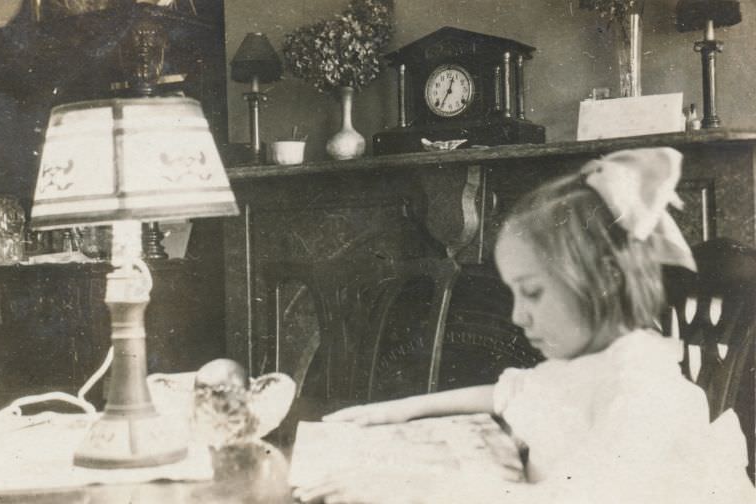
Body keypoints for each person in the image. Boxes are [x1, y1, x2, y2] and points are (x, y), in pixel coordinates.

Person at [294, 148, 755, 504]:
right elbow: (507, 391)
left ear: (603, 282)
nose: (516, 316)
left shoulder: (641, 387)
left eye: (532, 292)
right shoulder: (585, 361)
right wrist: (401, 409)